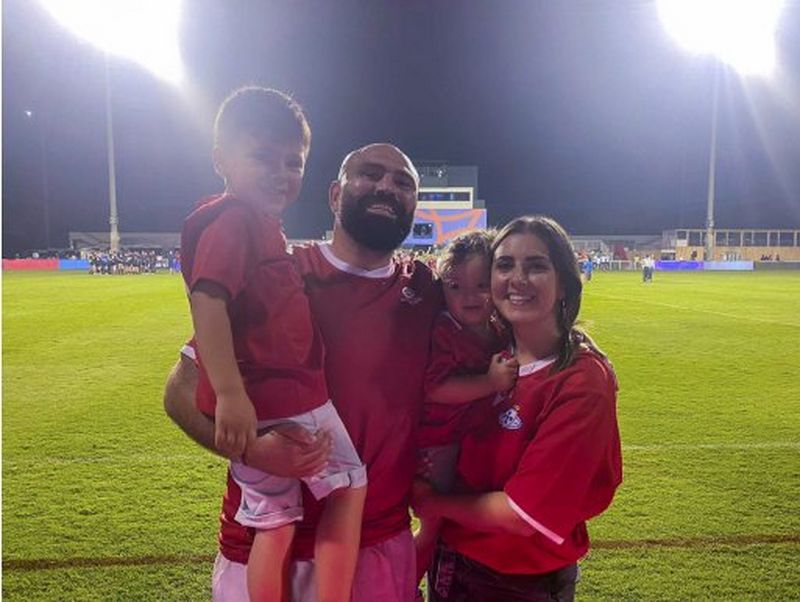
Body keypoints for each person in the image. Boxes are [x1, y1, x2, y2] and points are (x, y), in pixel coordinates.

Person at [164, 142, 441, 601]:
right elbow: (180, 390)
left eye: (403, 182)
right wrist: (254, 450)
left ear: (414, 204)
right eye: (370, 174)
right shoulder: (282, 274)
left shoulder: (426, 292)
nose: (386, 187)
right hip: (267, 549)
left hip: (378, 544)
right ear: (334, 195)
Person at [180, 86, 367, 601]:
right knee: (349, 485)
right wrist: (231, 394)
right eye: (262, 157)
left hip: (263, 401)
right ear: (221, 160)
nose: (281, 173)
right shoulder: (235, 221)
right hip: (285, 396)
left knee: (275, 519)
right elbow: (208, 299)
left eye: (293, 162)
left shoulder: (252, 223)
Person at [412, 216, 622, 602]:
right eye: (505, 265)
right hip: (450, 560)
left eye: (536, 266)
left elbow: (523, 514)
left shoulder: (581, 381)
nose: (517, 279)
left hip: (515, 579)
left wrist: (434, 502)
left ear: (564, 283)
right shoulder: (495, 350)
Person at [414, 230, 517, 584]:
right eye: (455, 286)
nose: (468, 296)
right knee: (431, 524)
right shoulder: (447, 329)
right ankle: (405, 586)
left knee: (457, 519)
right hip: (439, 441)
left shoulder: (498, 327)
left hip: (469, 438)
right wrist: (489, 383)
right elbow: (435, 388)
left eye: (481, 285)